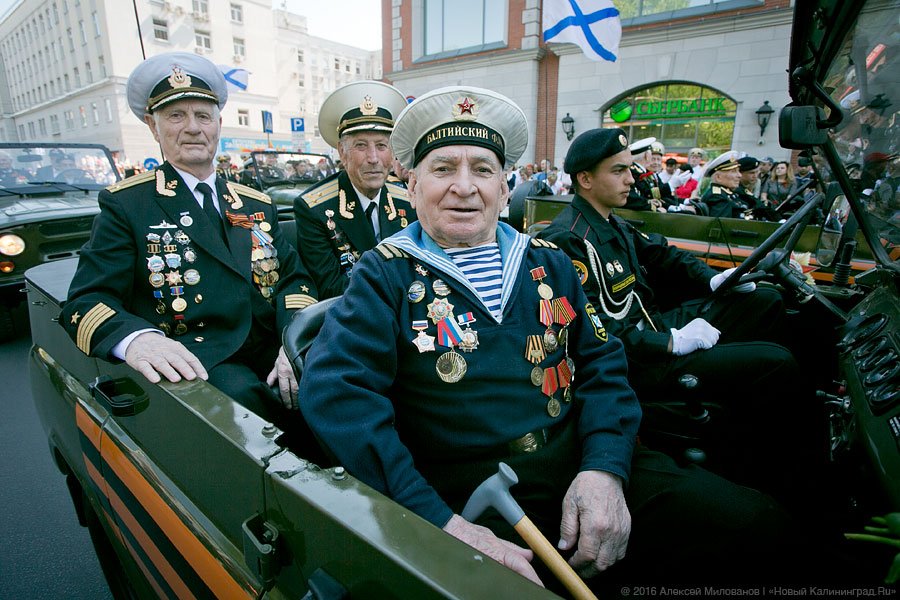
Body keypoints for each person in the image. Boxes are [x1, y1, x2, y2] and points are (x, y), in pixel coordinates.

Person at [299, 88, 824, 590]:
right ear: (411, 186)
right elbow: (336, 395)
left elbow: (603, 366)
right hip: (471, 498)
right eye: (442, 169)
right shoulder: (382, 275)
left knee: (756, 526)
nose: (464, 186)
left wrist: (604, 467)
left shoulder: (548, 263)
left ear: (506, 188)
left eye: (483, 169)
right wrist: (438, 521)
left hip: (583, 459)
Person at [537, 128, 822, 505]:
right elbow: (597, 334)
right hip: (637, 359)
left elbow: (663, 254)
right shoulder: (570, 239)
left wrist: (714, 280)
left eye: (630, 170)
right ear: (586, 179)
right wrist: (671, 341)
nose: (631, 179)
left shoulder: (610, 221)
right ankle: (794, 476)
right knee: (777, 363)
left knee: (764, 299)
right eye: (619, 171)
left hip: (653, 328)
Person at [59, 52, 319, 424]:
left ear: (219, 124)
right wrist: (137, 340)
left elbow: (294, 280)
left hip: (274, 350)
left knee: (343, 385)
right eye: (176, 116)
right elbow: (87, 300)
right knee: (252, 410)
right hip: (202, 362)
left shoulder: (254, 202)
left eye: (203, 116)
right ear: (153, 126)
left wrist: (295, 341)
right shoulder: (128, 205)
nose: (193, 128)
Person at [293, 81, 416, 299]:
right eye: (361, 146)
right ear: (342, 152)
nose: (373, 158)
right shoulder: (314, 208)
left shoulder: (407, 200)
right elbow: (331, 287)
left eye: (381, 146)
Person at [699, 151, 755, 218]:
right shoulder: (717, 197)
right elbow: (721, 225)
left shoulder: (728, 193)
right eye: (734, 171)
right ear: (718, 177)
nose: (739, 175)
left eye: (738, 171)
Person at [625, 138, 675, 211]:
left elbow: (655, 196)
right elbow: (632, 198)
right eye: (652, 156)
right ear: (647, 156)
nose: (654, 161)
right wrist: (651, 205)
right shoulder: (633, 172)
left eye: (658, 159)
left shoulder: (643, 172)